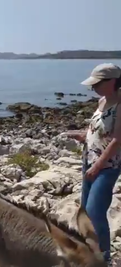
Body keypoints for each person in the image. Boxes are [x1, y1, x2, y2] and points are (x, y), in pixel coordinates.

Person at [67, 63, 121, 265]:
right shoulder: (101, 101)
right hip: (88, 161)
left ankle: (104, 257)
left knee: (95, 212)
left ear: (112, 81)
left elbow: (117, 140)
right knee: (85, 211)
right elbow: (100, 130)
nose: (93, 87)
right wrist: (83, 136)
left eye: (97, 83)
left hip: (106, 167)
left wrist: (98, 166)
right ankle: (89, 251)